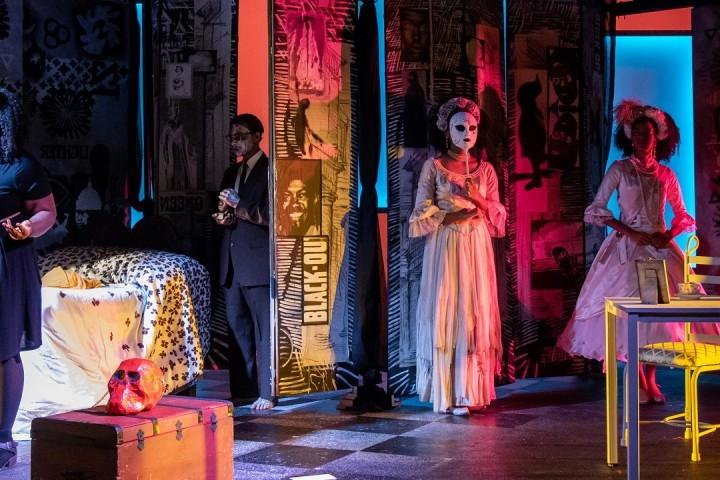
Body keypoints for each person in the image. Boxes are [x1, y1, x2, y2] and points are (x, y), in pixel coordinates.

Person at [557, 100, 720, 403]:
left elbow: (682, 214)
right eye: (638, 134)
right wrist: (630, 232)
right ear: (630, 137)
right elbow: (596, 210)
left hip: (658, 251)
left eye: (648, 133)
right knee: (628, 314)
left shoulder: (665, 175)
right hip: (627, 250)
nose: (643, 139)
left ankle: (651, 378)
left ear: (657, 136)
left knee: (655, 316)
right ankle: (636, 382)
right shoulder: (620, 170)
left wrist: (668, 234)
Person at [409, 97, 506, 415]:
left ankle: (470, 390)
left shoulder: (486, 170)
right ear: (447, 130)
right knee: (447, 307)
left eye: (472, 128)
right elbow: (420, 209)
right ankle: (447, 391)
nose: (467, 133)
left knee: (473, 310)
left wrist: (477, 199)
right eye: (460, 127)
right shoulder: (433, 167)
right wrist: (446, 216)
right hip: (446, 244)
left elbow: (497, 213)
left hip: (475, 244)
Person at [0, 87, 57, 468]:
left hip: (5, 259)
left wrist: (27, 229)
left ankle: (3, 437)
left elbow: (47, 213)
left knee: (4, 349)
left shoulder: (20, 167)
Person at [213, 113, 273, 410]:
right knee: (237, 329)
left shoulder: (270, 170)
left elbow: (273, 216)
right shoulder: (230, 173)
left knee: (264, 330)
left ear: (258, 136)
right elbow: (229, 214)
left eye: (241, 136)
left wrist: (241, 206)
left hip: (258, 263)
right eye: (232, 137)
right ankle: (242, 392)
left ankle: (267, 391)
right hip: (232, 263)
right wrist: (224, 216)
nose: (236, 142)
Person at [277, 161, 321, 236]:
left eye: (301, 196)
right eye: (287, 196)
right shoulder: (277, 232)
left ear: (315, 199)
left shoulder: (320, 233)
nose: (294, 204)